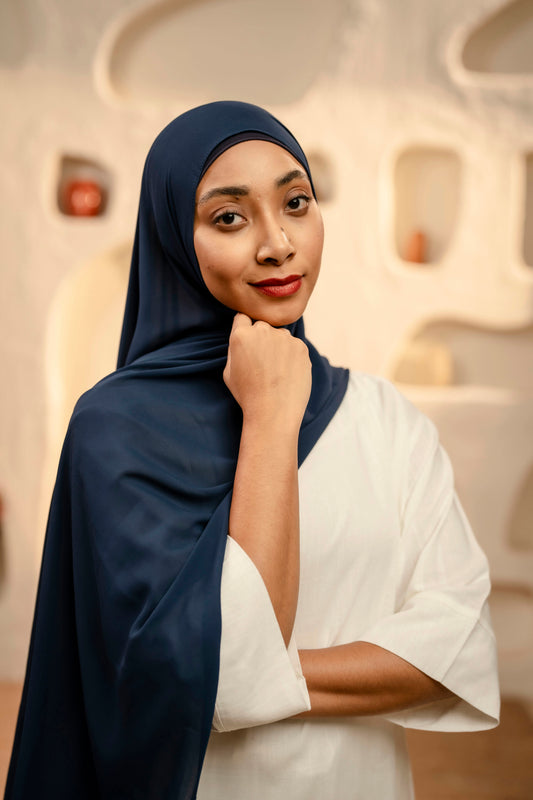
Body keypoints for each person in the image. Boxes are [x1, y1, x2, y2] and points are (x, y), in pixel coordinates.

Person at [5, 101, 499, 800]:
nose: (277, 243)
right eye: (229, 217)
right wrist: (269, 414)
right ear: (174, 236)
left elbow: (458, 646)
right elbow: (234, 659)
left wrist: (245, 679)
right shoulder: (113, 429)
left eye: (295, 202)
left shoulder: (385, 419)